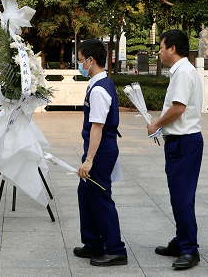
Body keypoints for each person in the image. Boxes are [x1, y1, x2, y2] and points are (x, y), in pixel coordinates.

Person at [148, 29, 203, 270]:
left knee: (182, 197)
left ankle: (190, 249)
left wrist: (156, 124)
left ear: (172, 48)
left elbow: (178, 108)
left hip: (185, 142)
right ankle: (181, 240)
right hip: (180, 141)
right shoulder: (182, 71)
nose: (158, 52)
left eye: (161, 47)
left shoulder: (183, 73)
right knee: (178, 195)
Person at [72, 39, 128, 267]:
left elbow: (97, 126)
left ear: (90, 60)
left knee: (100, 197)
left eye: (80, 61)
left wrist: (89, 160)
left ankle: (116, 249)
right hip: (100, 148)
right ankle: (93, 243)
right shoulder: (100, 83)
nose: (79, 65)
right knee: (86, 193)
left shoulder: (99, 89)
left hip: (101, 150)